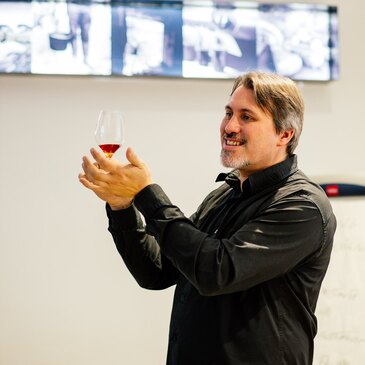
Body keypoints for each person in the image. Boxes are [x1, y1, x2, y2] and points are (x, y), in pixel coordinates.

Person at [79, 71, 336, 365]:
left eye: (247, 117)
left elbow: (217, 271)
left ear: (284, 134)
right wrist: (123, 207)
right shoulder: (224, 195)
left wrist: (146, 194)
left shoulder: (302, 206)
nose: (229, 126)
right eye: (228, 113)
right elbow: (157, 271)